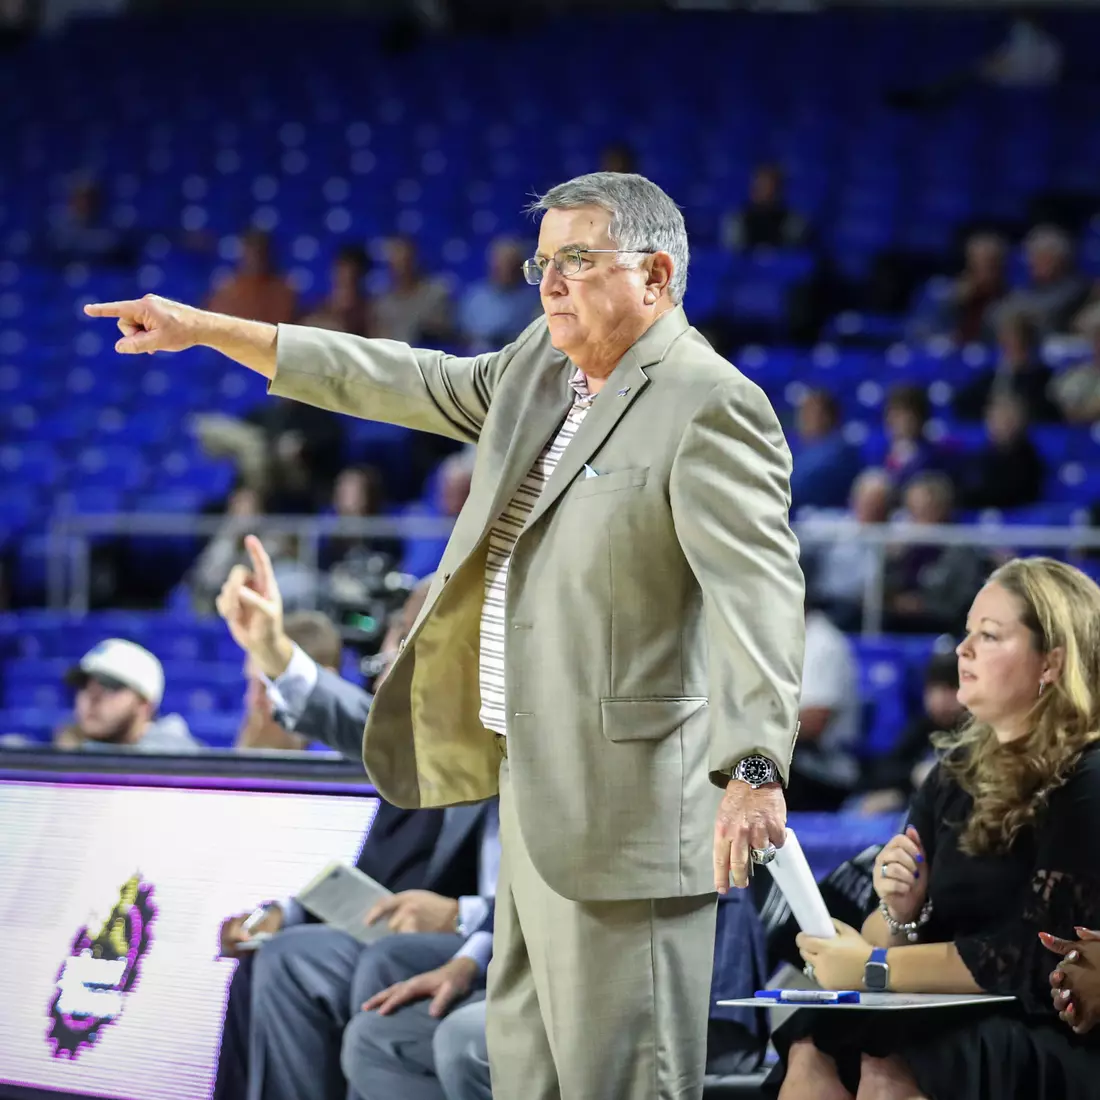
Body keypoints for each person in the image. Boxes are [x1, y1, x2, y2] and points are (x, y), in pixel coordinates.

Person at [86, 169, 806, 1100]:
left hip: (627, 821)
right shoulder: (539, 368)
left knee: (623, 1086)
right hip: (530, 807)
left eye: (576, 261)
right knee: (525, 1084)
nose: (548, 283)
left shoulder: (710, 401)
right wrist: (213, 330)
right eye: (542, 263)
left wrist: (754, 765)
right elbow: (397, 375)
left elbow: (762, 594)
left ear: (656, 275)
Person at [769, 557, 1100, 1100]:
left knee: (894, 1060)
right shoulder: (954, 771)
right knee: (813, 1043)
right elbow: (886, 932)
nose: (961, 651)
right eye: (966, 633)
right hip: (947, 1007)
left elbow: (1033, 957)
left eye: (989, 636)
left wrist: (875, 968)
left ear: (1051, 662)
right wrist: (898, 915)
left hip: (1051, 1027)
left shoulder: (1087, 776)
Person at [213, 562, 498, 1100]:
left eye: (410, 645)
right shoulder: (419, 746)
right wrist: (290, 912)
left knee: (383, 963)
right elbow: (375, 883)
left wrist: (467, 916)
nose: (393, 665)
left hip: (483, 937)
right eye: (393, 647)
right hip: (410, 930)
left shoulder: (505, 730)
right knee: (283, 958)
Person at [53, 638, 197, 753]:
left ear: (144, 705)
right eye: (84, 685)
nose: (92, 698)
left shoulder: (179, 761)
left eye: (110, 687)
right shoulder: (72, 744)